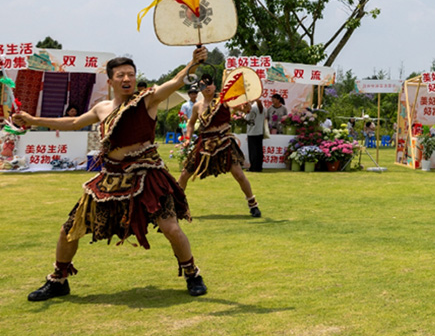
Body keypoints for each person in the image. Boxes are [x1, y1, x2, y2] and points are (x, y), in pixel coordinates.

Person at [15, 48, 210, 301]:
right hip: (110, 178)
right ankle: (58, 280)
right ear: (110, 80)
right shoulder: (102, 108)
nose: (127, 79)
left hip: (147, 175)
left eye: (130, 74)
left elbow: (174, 82)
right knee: (70, 228)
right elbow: (74, 123)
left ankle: (192, 274)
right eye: (121, 75)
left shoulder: (147, 100)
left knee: (170, 227)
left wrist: (192, 64)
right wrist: (33, 120)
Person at [177, 73, 261, 217]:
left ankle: (252, 204)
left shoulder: (225, 100)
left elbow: (244, 109)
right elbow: (190, 123)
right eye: (203, 85)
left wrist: (246, 105)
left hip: (224, 142)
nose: (207, 87)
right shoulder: (197, 106)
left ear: (214, 86)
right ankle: (177, 205)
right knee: (185, 174)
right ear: (200, 88)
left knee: (239, 174)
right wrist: (187, 137)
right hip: (204, 144)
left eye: (209, 84)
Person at [244, 98, 266, 172]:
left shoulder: (252, 108)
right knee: (259, 151)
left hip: (252, 131)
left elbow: (248, 118)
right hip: (260, 131)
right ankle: (259, 167)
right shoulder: (263, 107)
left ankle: (253, 167)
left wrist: (243, 115)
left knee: (253, 151)